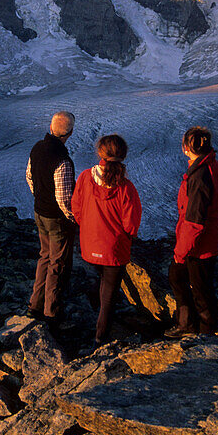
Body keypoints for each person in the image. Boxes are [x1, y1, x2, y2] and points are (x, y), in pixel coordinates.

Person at [71, 134, 142, 346]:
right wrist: (128, 237)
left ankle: (92, 323)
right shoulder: (125, 187)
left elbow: (76, 207)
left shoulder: (85, 177)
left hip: (90, 244)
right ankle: (101, 337)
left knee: (101, 282)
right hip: (114, 248)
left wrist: (88, 227)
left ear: (100, 153)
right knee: (110, 292)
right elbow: (131, 223)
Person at [165, 126, 218, 338]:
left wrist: (181, 251)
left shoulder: (199, 175)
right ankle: (193, 324)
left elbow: (194, 220)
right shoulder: (212, 166)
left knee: (198, 287)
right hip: (210, 238)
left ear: (185, 148)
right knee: (193, 282)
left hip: (200, 245)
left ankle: (207, 330)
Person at [26, 111, 77, 322]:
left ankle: (35, 304)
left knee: (44, 257)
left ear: (50, 127)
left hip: (40, 213)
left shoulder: (37, 148)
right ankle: (52, 312)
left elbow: (29, 176)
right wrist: (72, 219)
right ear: (70, 133)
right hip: (56, 219)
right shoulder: (62, 160)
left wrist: (40, 198)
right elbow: (64, 199)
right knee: (57, 263)